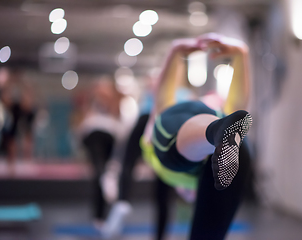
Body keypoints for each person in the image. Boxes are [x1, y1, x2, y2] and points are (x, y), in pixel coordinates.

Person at [105, 33, 253, 240]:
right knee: (209, 225)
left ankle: (216, 130)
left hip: (180, 130)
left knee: (180, 146)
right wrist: (240, 54)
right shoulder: (211, 173)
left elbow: (162, 102)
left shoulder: (162, 135)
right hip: (211, 130)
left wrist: (175, 53)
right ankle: (216, 130)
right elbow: (237, 106)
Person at [74, 77, 125, 227]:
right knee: (99, 172)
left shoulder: (114, 104)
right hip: (93, 134)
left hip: (108, 135)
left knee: (101, 174)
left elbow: (118, 118)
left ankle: (101, 215)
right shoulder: (91, 103)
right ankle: (98, 215)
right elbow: (82, 118)